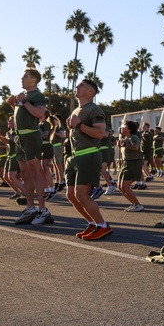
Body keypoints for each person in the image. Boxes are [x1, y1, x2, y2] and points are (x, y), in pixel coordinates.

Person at [65, 78, 112, 240]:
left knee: (81, 194)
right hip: (75, 156)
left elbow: (100, 133)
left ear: (90, 92)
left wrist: (79, 125)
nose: (77, 87)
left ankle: (103, 225)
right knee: (71, 195)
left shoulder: (94, 109)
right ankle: (92, 223)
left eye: (81, 85)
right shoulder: (76, 110)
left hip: (89, 154)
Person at [10, 69, 52, 226]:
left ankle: (43, 210)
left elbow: (40, 113)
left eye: (26, 76)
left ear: (34, 80)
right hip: (20, 138)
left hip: (31, 137)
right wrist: (12, 105)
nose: (22, 78)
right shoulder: (24, 96)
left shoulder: (36, 96)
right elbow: (23, 116)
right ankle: (30, 208)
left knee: (36, 173)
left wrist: (25, 102)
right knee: (25, 174)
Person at [116, 121, 146, 212]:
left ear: (129, 129)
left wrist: (126, 144)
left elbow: (136, 147)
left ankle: (138, 204)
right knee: (120, 186)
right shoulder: (126, 138)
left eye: (124, 126)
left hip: (133, 163)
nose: (122, 127)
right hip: (126, 163)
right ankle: (134, 203)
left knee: (125, 186)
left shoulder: (133, 137)